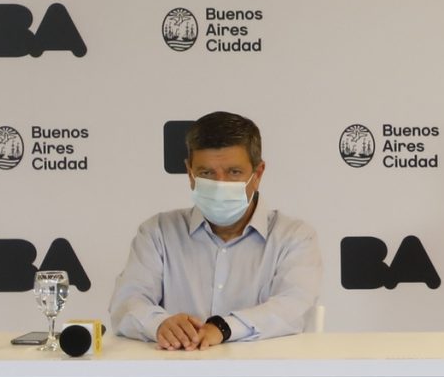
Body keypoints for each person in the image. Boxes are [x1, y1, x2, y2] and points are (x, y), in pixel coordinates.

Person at [109, 110, 322, 350]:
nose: (220, 184)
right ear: (190, 174)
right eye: (207, 173)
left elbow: (294, 308)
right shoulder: (158, 233)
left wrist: (223, 328)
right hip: (177, 370)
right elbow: (127, 303)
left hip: (263, 371)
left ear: (258, 174)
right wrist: (161, 325)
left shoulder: (294, 237)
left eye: (234, 172)